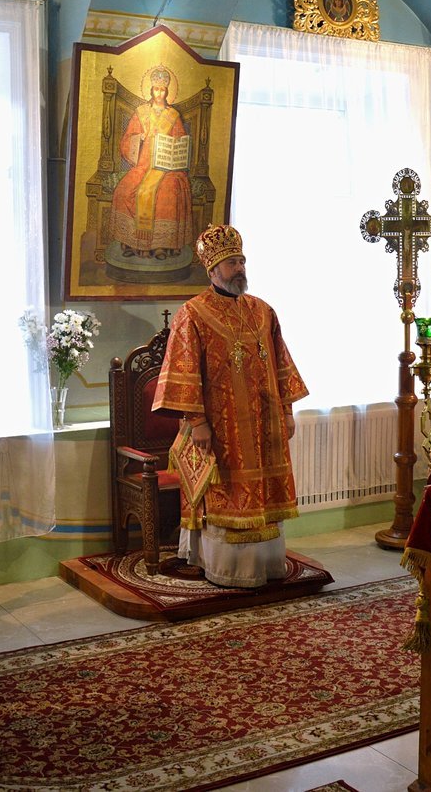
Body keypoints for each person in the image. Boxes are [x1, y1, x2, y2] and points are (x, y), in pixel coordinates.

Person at [152, 224, 308, 588]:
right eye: (231, 263)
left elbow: (281, 364)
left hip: (264, 425)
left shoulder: (263, 311)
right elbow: (184, 372)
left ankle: (266, 564)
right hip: (221, 429)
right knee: (226, 493)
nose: (239, 268)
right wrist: (197, 422)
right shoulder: (192, 314)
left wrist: (287, 412)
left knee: (264, 494)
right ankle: (227, 568)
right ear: (213, 270)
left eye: (241, 261)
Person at [111, 65, 193, 261]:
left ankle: (162, 245)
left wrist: (175, 147)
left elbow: (181, 141)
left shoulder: (173, 116)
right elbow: (126, 140)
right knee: (124, 189)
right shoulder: (141, 112)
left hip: (167, 168)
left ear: (167, 92)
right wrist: (138, 138)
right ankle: (131, 242)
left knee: (168, 192)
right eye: (156, 89)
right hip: (143, 165)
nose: (159, 93)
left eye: (163, 90)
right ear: (151, 90)